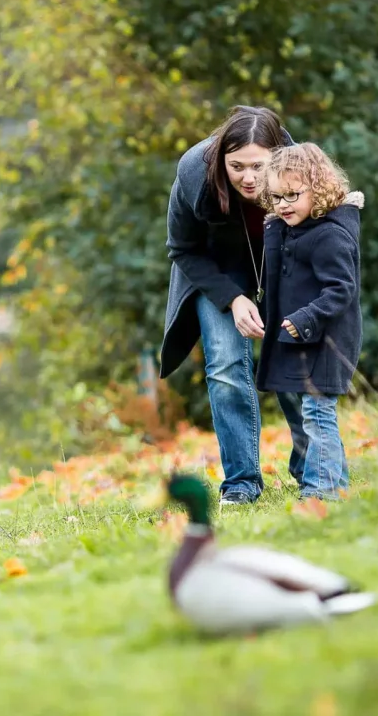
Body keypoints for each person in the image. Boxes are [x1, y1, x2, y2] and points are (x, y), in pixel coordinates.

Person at [158, 105, 294, 506]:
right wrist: (233, 298)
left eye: (257, 167)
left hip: (279, 264)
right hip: (215, 271)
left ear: (277, 158)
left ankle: (315, 473)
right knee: (225, 366)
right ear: (221, 159)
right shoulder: (194, 175)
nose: (248, 178)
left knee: (293, 359)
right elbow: (181, 248)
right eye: (237, 167)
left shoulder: (300, 166)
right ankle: (241, 484)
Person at [256, 142, 364, 501]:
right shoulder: (286, 230)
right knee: (306, 413)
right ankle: (336, 482)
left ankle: (322, 492)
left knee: (317, 414)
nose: (283, 204)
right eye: (275, 197)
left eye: (292, 195)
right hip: (296, 339)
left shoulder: (330, 235)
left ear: (317, 188)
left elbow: (341, 289)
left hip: (326, 340)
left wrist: (306, 318)